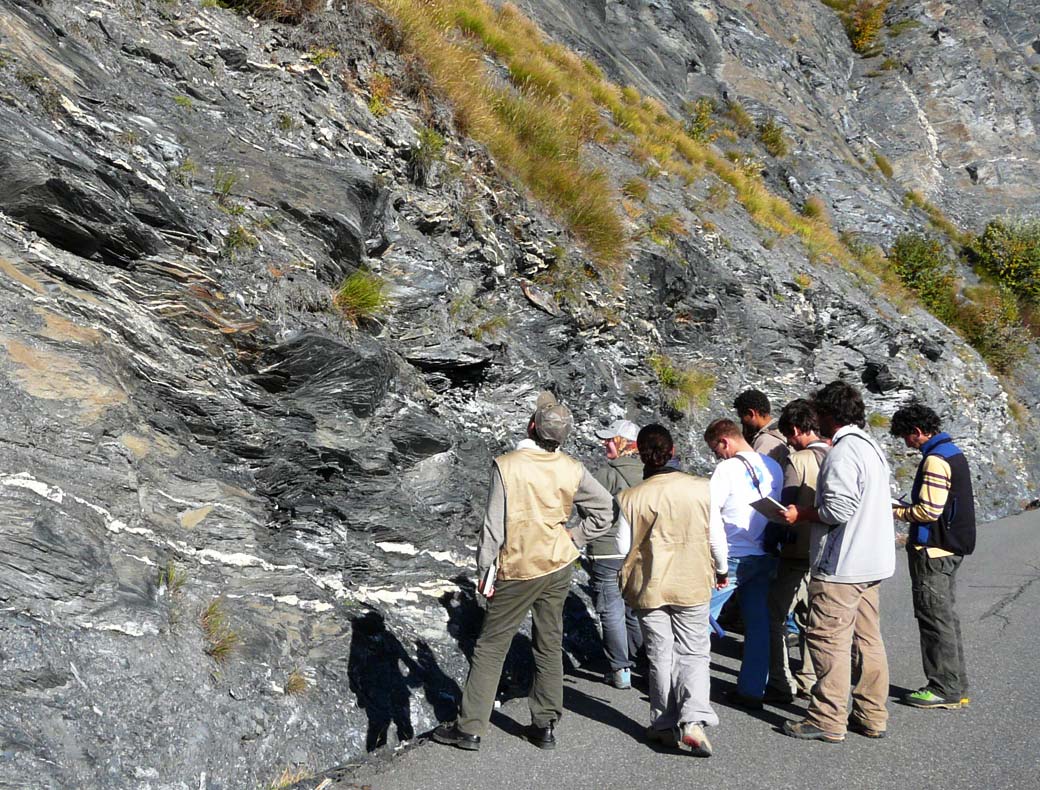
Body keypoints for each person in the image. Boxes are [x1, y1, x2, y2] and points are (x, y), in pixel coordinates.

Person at [433, 392, 614, 751]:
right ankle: (545, 724)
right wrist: (574, 537)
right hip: (558, 563)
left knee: (490, 646)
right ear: (564, 436)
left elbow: (493, 527)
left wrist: (484, 573)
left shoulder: (507, 464)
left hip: (519, 565)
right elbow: (606, 510)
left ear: (532, 426)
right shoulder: (572, 467)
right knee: (549, 642)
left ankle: (470, 728)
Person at [780, 381, 895, 743]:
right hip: (872, 560)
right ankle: (872, 714)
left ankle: (828, 718)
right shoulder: (871, 447)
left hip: (843, 564)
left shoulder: (843, 452)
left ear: (830, 414)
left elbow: (838, 509)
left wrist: (803, 513)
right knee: (868, 640)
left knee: (828, 640)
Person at [617, 424, 728, 757]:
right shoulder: (701, 489)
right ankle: (693, 719)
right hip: (691, 581)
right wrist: (721, 569)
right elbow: (716, 539)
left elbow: (624, 547)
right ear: (672, 449)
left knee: (659, 654)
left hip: (650, 586)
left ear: (640, 453)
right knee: (693, 652)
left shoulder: (629, 498)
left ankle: (663, 723)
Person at [890, 402, 976, 710]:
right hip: (950, 547)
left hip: (933, 550)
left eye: (906, 437)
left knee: (933, 619)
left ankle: (943, 688)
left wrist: (896, 511)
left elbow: (928, 510)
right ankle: (955, 684)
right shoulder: (953, 452)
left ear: (917, 432)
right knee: (945, 618)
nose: (907, 444)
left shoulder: (935, 460)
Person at [703, 418, 782, 708]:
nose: (717, 456)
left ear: (725, 441)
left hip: (733, 555)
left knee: (698, 618)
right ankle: (752, 690)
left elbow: (711, 517)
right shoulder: (772, 466)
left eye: (716, 450)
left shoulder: (726, 469)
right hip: (764, 553)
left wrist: (719, 563)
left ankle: (686, 685)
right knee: (758, 625)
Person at [763, 399, 830, 703]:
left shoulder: (798, 460)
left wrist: (772, 540)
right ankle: (810, 677)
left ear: (793, 429)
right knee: (811, 616)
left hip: (795, 550)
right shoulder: (834, 454)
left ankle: (780, 679)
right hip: (824, 551)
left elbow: (786, 506)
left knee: (775, 614)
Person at [587, 419, 644, 689]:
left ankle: (620, 669)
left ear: (623, 443)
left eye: (610, 440)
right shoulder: (650, 473)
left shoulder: (605, 474)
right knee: (634, 608)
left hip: (607, 550)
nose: (605, 443)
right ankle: (637, 658)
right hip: (640, 551)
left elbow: (586, 508)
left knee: (610, 609)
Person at [734, 388, 790, 464]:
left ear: (751, 413)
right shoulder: (782, 431)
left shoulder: (766, 441)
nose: (741, 421)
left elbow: (754, 471)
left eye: (742, 417)